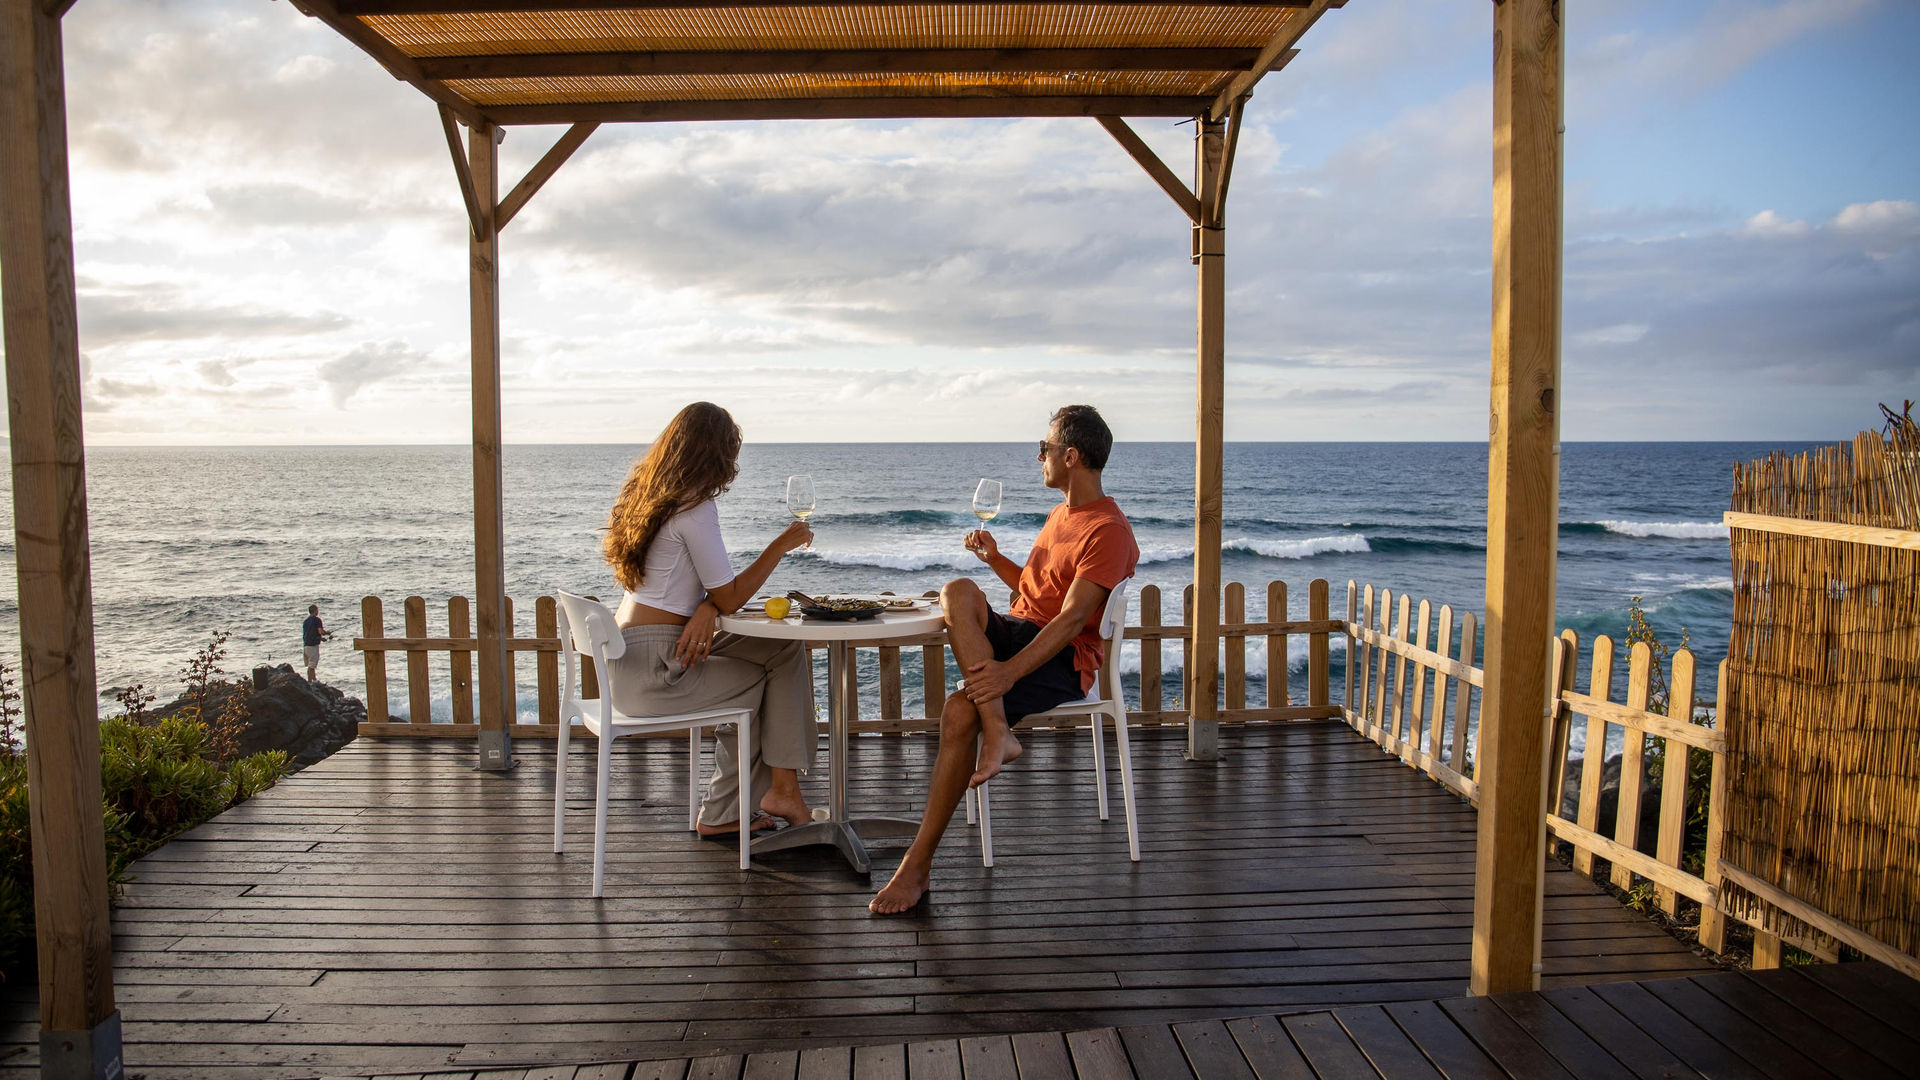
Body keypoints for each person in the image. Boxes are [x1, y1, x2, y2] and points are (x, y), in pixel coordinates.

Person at [871, 405, 1138, 914]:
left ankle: (916, 867)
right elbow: (1035, 595)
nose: (1039, 456)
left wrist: (1007, 672)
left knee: (958, 709)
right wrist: (994, 558)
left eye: (1046, 449)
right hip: (1025, 634)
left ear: (1071, 456)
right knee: (958, 591)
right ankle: (998, 730)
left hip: (1061, 660)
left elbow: (1066, 622)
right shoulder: (1063, 513)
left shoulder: (1108, 531)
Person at [603, 401, 817, 836]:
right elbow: (731, 596)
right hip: (655, 670)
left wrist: (707, 606)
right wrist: (780, 545)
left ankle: (762, 796)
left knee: (783, 649)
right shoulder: (695, 508)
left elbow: (698, 589)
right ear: (717, 455)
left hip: (634, 655)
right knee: (759, 678)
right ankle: (755, 801)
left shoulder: (650, 499)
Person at [302, 604, 332, 683]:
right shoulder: (317, 620)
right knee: (312, 665)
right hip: (312, 646)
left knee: (311, 664)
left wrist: (321, 638)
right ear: (315, 611)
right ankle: (310, 682)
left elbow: (310, 634)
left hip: (306, 645)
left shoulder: (305, 621)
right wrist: (327, 633)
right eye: (317, 610)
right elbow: (320, 631)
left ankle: (314, 680)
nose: (318, 611)